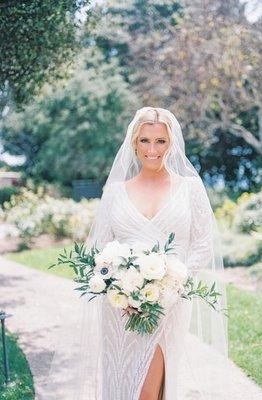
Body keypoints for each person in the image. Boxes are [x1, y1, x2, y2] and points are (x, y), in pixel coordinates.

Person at [41, 106, 228, 400]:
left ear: (172, 144)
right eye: (145, 140)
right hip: (120, 308)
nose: (152, 149)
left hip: (168, 304)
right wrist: (119, 287)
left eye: (160, 141)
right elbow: (100, 249)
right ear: (134, 143)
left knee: (148, 391)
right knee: (121, 384)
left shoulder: (190, 189)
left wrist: (171, 286)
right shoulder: (115, 191)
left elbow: (203, 243)